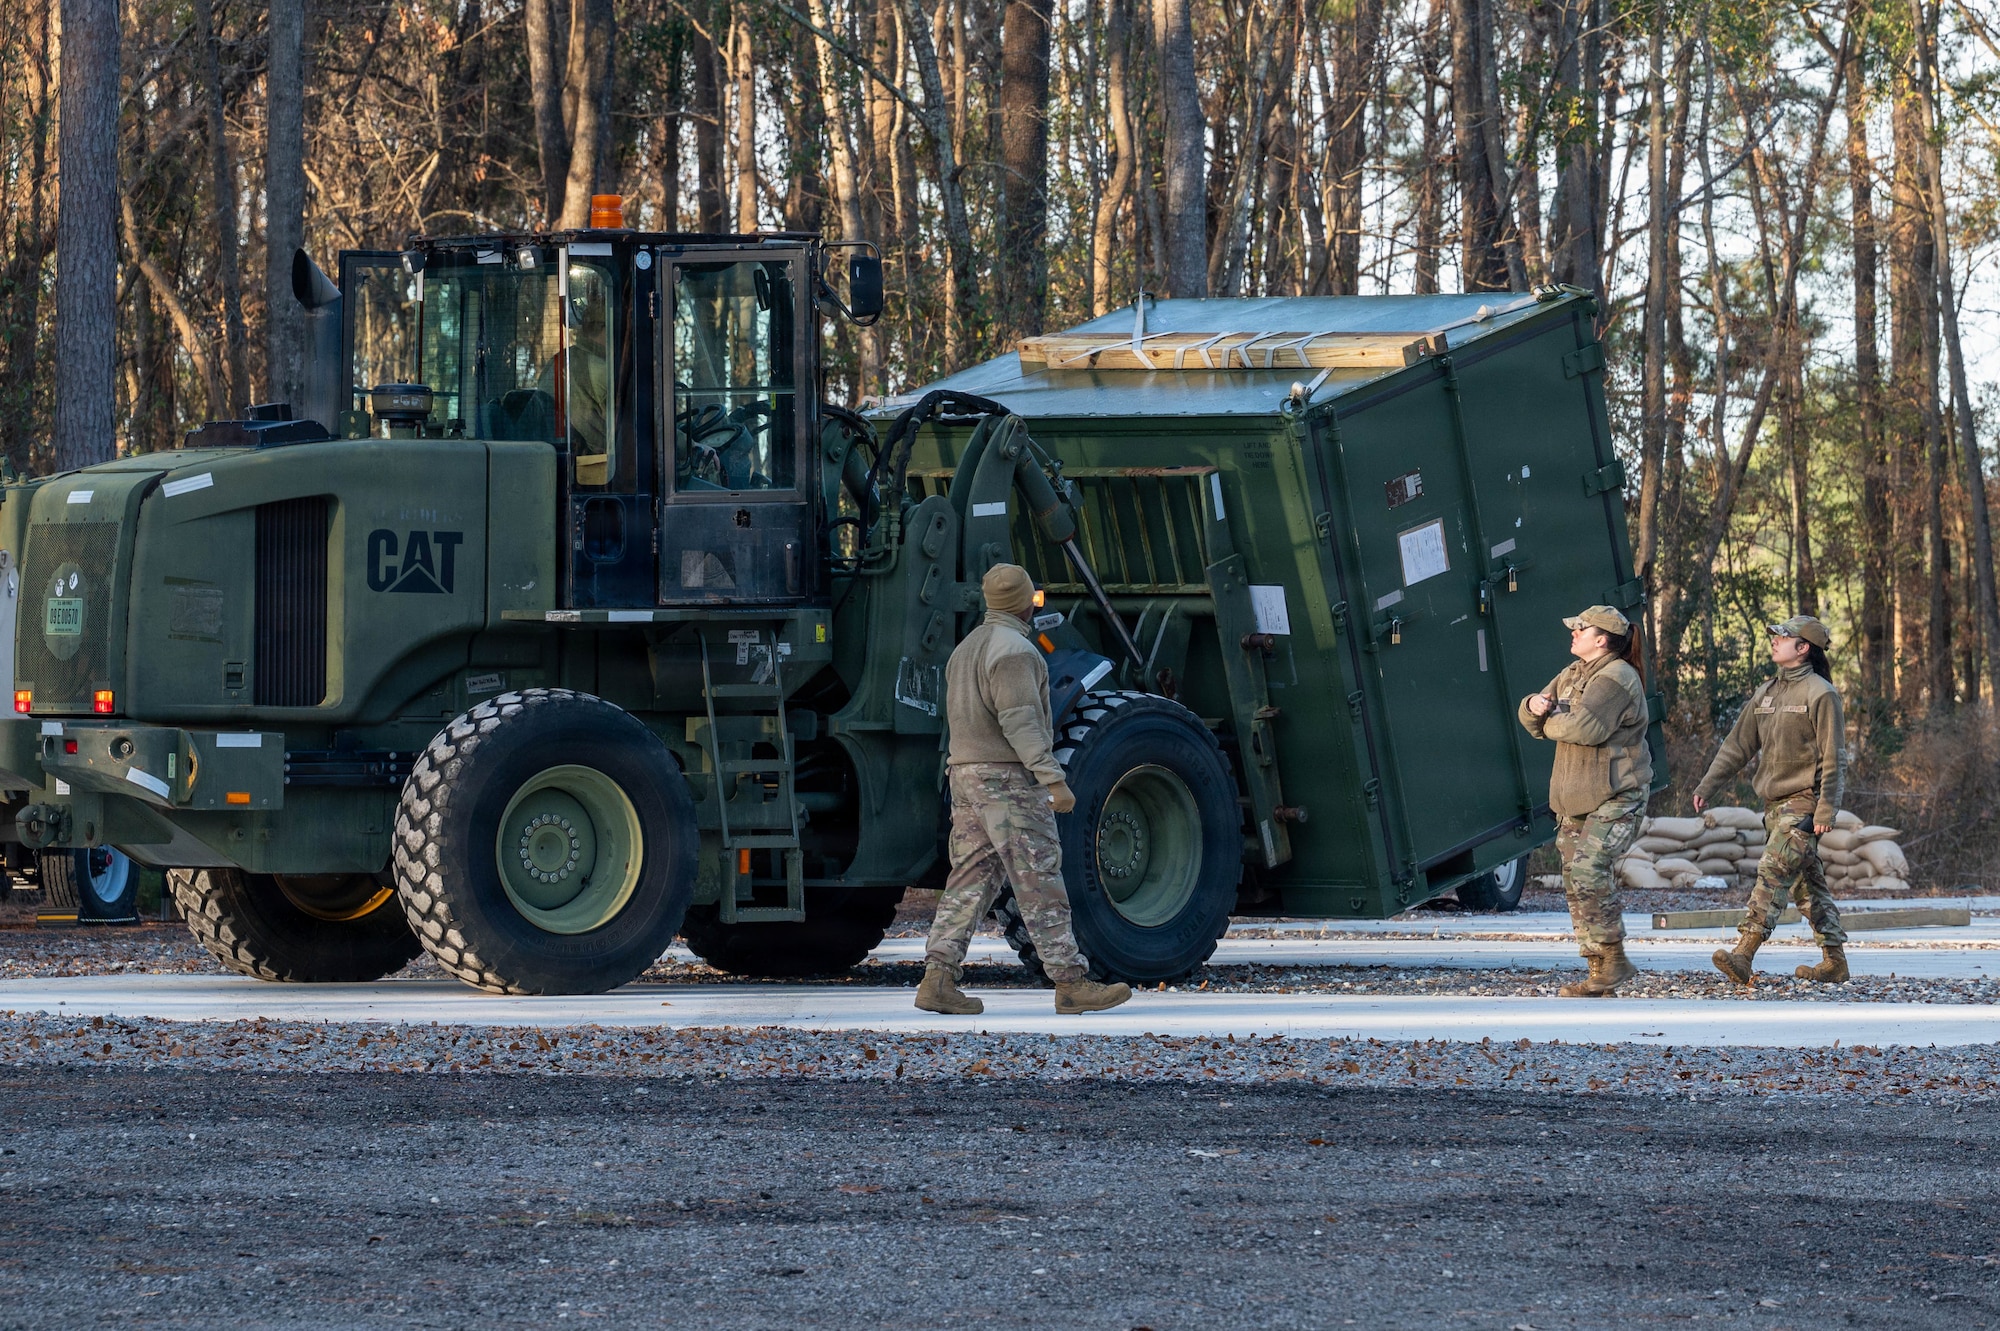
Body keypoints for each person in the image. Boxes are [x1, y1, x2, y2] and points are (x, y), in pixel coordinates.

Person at [918, 563, 1133, 1016]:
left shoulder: (967, 648)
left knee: (970, 879)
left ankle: (937, 978)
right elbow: (1022, 722)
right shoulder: (1014, 650)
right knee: (1040, 879)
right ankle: (1071, 983)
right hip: (1008, 780)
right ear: (1025, 602)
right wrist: (1052, 778)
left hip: (966, 775)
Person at [1694, 615, 1848, 986]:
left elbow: (1834, 757)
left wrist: (1826, 808)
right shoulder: (1766, 692)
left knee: (1773, 871)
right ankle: (1835, 961)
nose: (1775, 641)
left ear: (1803, 648)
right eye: (1775, 636)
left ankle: (1744, 954)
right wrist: (1706, 786)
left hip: (1804, 803)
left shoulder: (1821, 693)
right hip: (1773, 806)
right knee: (1807, 886)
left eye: (1784, 637)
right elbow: (1737, 745)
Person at [1518, 604, 1653, 997]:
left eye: (1581, 628)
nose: (1573, 632)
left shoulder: (1617, 677)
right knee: (1575, 880)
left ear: (1602, 639)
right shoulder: (1573, 674)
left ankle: (1614, 960)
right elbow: (1530, 715)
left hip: (1617, 792)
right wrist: (1532, 706)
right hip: (1575, 795)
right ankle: (1598, 973)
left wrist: (1550, 721)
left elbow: (1586, 728)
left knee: (1590, 868)